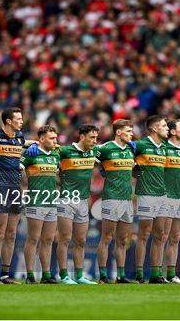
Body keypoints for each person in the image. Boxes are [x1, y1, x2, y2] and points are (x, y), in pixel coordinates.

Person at [0, 107, 29, 284]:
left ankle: (5, 275)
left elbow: (26, 143)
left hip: (15, 188)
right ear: (8, 121)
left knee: (11, 233)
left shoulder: (20, 137)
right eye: (18, 118)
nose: (21, 121)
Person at [56, 125, 99, 284]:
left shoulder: (94, 151)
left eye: (96, 138)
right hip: (66, 199)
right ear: (82, 137)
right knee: (65, 239)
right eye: (91, 138)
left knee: (81, 240)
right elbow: (45, 148)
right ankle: (64, 276)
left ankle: (79, 276)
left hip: (83, 201)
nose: (94, 141)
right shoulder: (66, 151)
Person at [96, 119, 135, 284]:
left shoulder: (130, 149)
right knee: (107, 237)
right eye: (128, 131)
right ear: (118, 132)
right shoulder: (105, 148)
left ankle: (120, 276)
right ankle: (103, 276)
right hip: (111, 197)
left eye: (132, 131)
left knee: (123, 239)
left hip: (127, 198)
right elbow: (89, 157)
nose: (131, 135)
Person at [21, 125, 60, 284]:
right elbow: (18, 170)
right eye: (51, 138)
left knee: (49, 240)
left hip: (51, 202)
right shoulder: (31, 154)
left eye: (56, 138)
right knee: (33, 239)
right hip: (36, 201)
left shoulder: (55, 156)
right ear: (42, 139)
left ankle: (46, 275)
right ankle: (30, 275)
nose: (55, 141)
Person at [134, 115, 169, 284]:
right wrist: (133, 168)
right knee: (144, 234)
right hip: (146, 195)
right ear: (154, 129)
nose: (167, 128)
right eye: (164, 126)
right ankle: (140, 274)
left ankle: (156, 274)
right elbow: (123, 153)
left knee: (160, 235)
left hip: (162, 195)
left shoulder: (164, 148)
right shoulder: (140, 145)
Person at [163, 119, 180, 284]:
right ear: (172, 132)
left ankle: (171, 275)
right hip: (166, 198)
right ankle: (158, 274)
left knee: (175, 237)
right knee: (162, 237)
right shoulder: (164, 148)